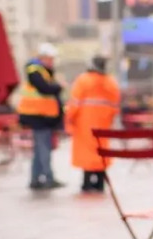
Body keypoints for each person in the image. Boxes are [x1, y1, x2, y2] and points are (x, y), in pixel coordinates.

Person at [67, 56, 122, 193]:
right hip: (103, 123)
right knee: (101, 151)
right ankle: (100, 182)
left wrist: (69, 119)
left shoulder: (83, 80)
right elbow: (115, 105)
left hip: (84, 123)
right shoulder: (110, 82)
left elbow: (74, 103)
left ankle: (87, 182)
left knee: (86, 152)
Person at [18, 43, 65, 190]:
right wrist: (58, 87)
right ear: (43, 57)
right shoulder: (35, 70)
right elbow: (45, 89)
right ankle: (47, 177)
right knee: (43, 149)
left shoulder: (44, 71)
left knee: (40, 150)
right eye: (50, 59)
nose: (52, 62)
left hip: (44, 117)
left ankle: (35, 178)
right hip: (38, 116)